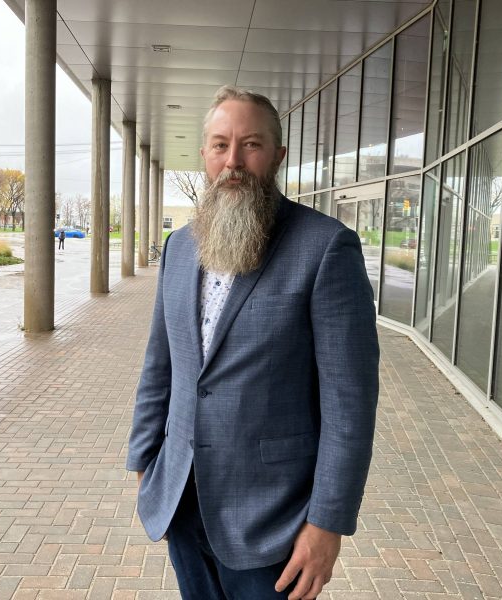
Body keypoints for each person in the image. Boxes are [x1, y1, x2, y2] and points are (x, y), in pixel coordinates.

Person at [126, 86, 379, 600]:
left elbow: (349, 403)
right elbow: (161, 364)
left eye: (251, 145)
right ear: (204, 155)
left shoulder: (326, 247)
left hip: (274, 520)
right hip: (181, 499)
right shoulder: (179, 248)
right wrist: (145, 464)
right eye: (220, 145)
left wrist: (328, 524)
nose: (233, 161)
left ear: (279, 155)